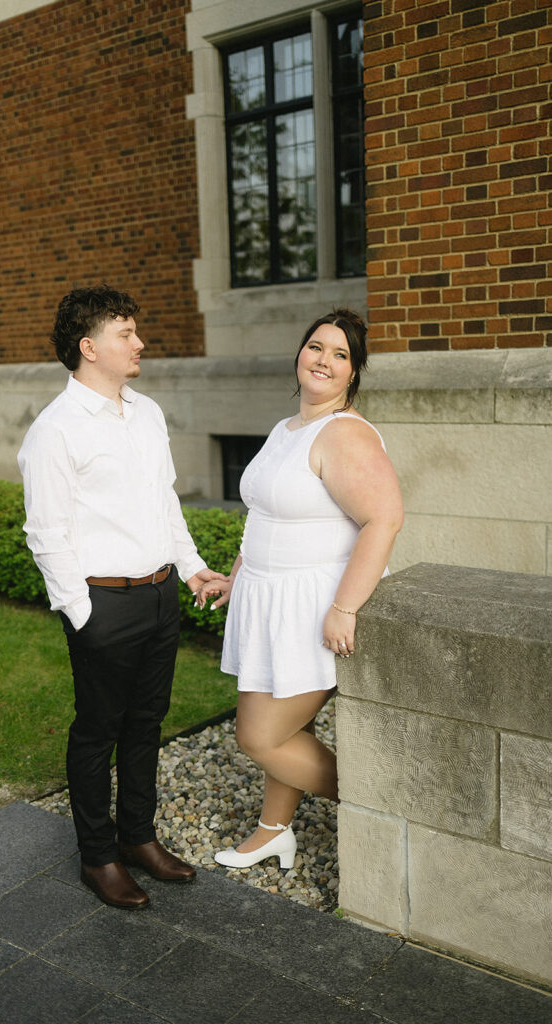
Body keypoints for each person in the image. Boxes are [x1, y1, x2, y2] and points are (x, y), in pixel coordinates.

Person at [18, 285, 226, 910]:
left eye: (136, 331)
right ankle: (98, 856)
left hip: (160, 596)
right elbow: (45, 533)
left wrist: (189, 569)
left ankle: (139, 839)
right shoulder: (55, 431)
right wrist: (82, 613)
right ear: (89, 348)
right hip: (103, 607)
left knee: (146, 725)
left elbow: (164, 502)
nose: (139, 343)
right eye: (124, 334)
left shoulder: (148, 413)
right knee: (97, 733)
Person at [196, 309, 403, 870]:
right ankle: (273, 831)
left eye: (340, 355)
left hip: (315, 605)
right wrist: (236, 575)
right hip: (268, 600)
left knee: (260, 736)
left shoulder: (345, 434)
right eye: (317, 347)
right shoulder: (286, 429)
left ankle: (387, 806)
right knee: (290, 727)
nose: (324, 361)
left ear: (353, 374)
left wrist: (344, 607)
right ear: (300, 354)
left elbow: (384, 519)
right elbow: (264, 514)